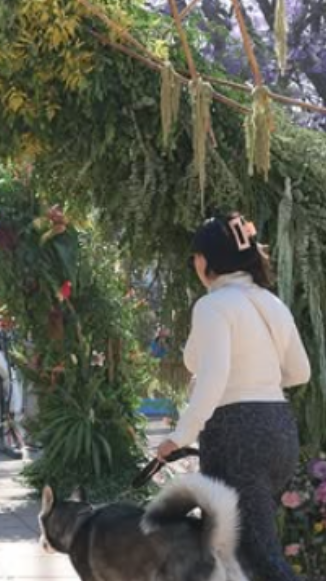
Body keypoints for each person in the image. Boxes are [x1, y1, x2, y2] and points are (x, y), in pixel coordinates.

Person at [157, 212, 311, 581]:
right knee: (242, 555)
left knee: (257, 557)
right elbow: (300, 372)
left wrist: (180, 436)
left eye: (196, 256)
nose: (195, 263)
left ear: (208, 260)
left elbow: (212, 377)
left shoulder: (213, 305)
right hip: (278, 431)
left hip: (236, 435)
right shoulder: (271, 303)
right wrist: (258, 381)